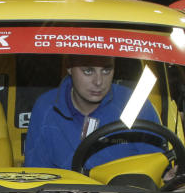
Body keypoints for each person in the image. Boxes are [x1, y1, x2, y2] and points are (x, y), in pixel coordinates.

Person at [24, 54, 163, 171]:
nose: (98, 82)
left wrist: (167, 177)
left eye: (106, 70)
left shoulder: (135, 104)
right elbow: (37, 176)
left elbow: (155, 168)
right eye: (88, 71)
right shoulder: (47, 108)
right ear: (69, 68)